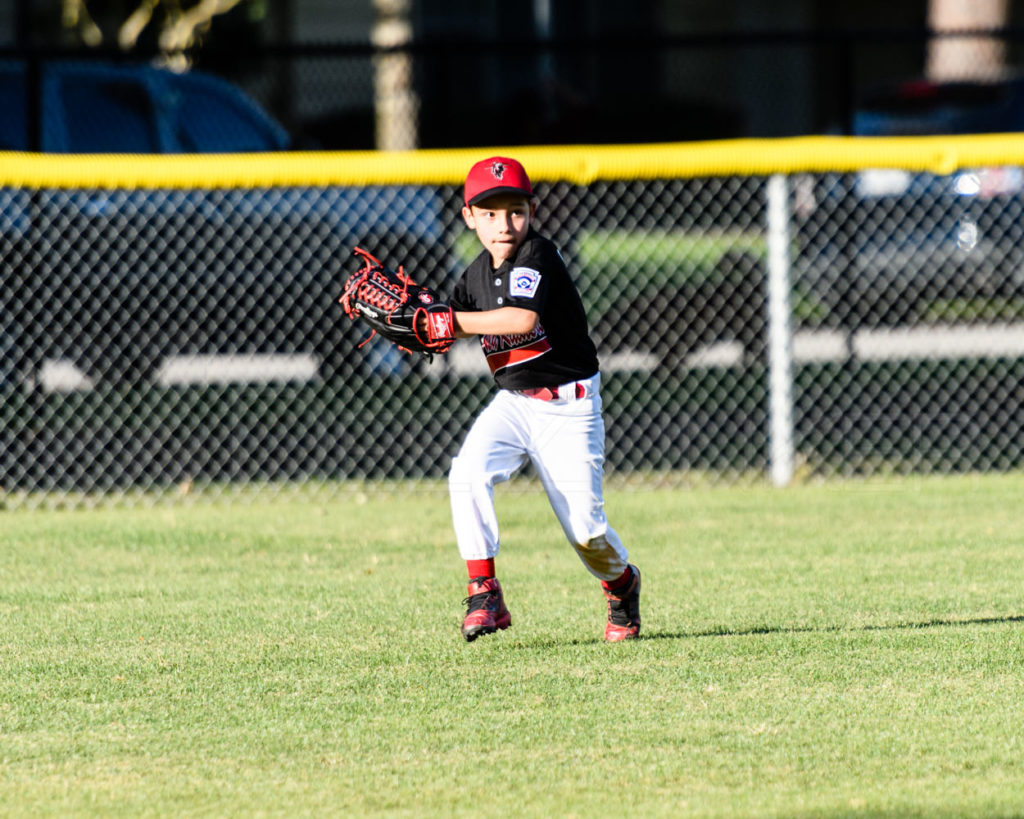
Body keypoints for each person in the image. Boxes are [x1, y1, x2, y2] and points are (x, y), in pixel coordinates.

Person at [444, 156, 641, 642]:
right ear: (469, 217)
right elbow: (442, 328)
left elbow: (520, 320)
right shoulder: (472, 277)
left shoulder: (538, 255)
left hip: (570, 407)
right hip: (515, 404)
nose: (503, 224)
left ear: (532, 210)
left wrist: (450, 323)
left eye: (514, 210)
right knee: (465, 473)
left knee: (587, 533)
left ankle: (622, 584)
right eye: (488, 213)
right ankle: (483, 590)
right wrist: (414, 322)